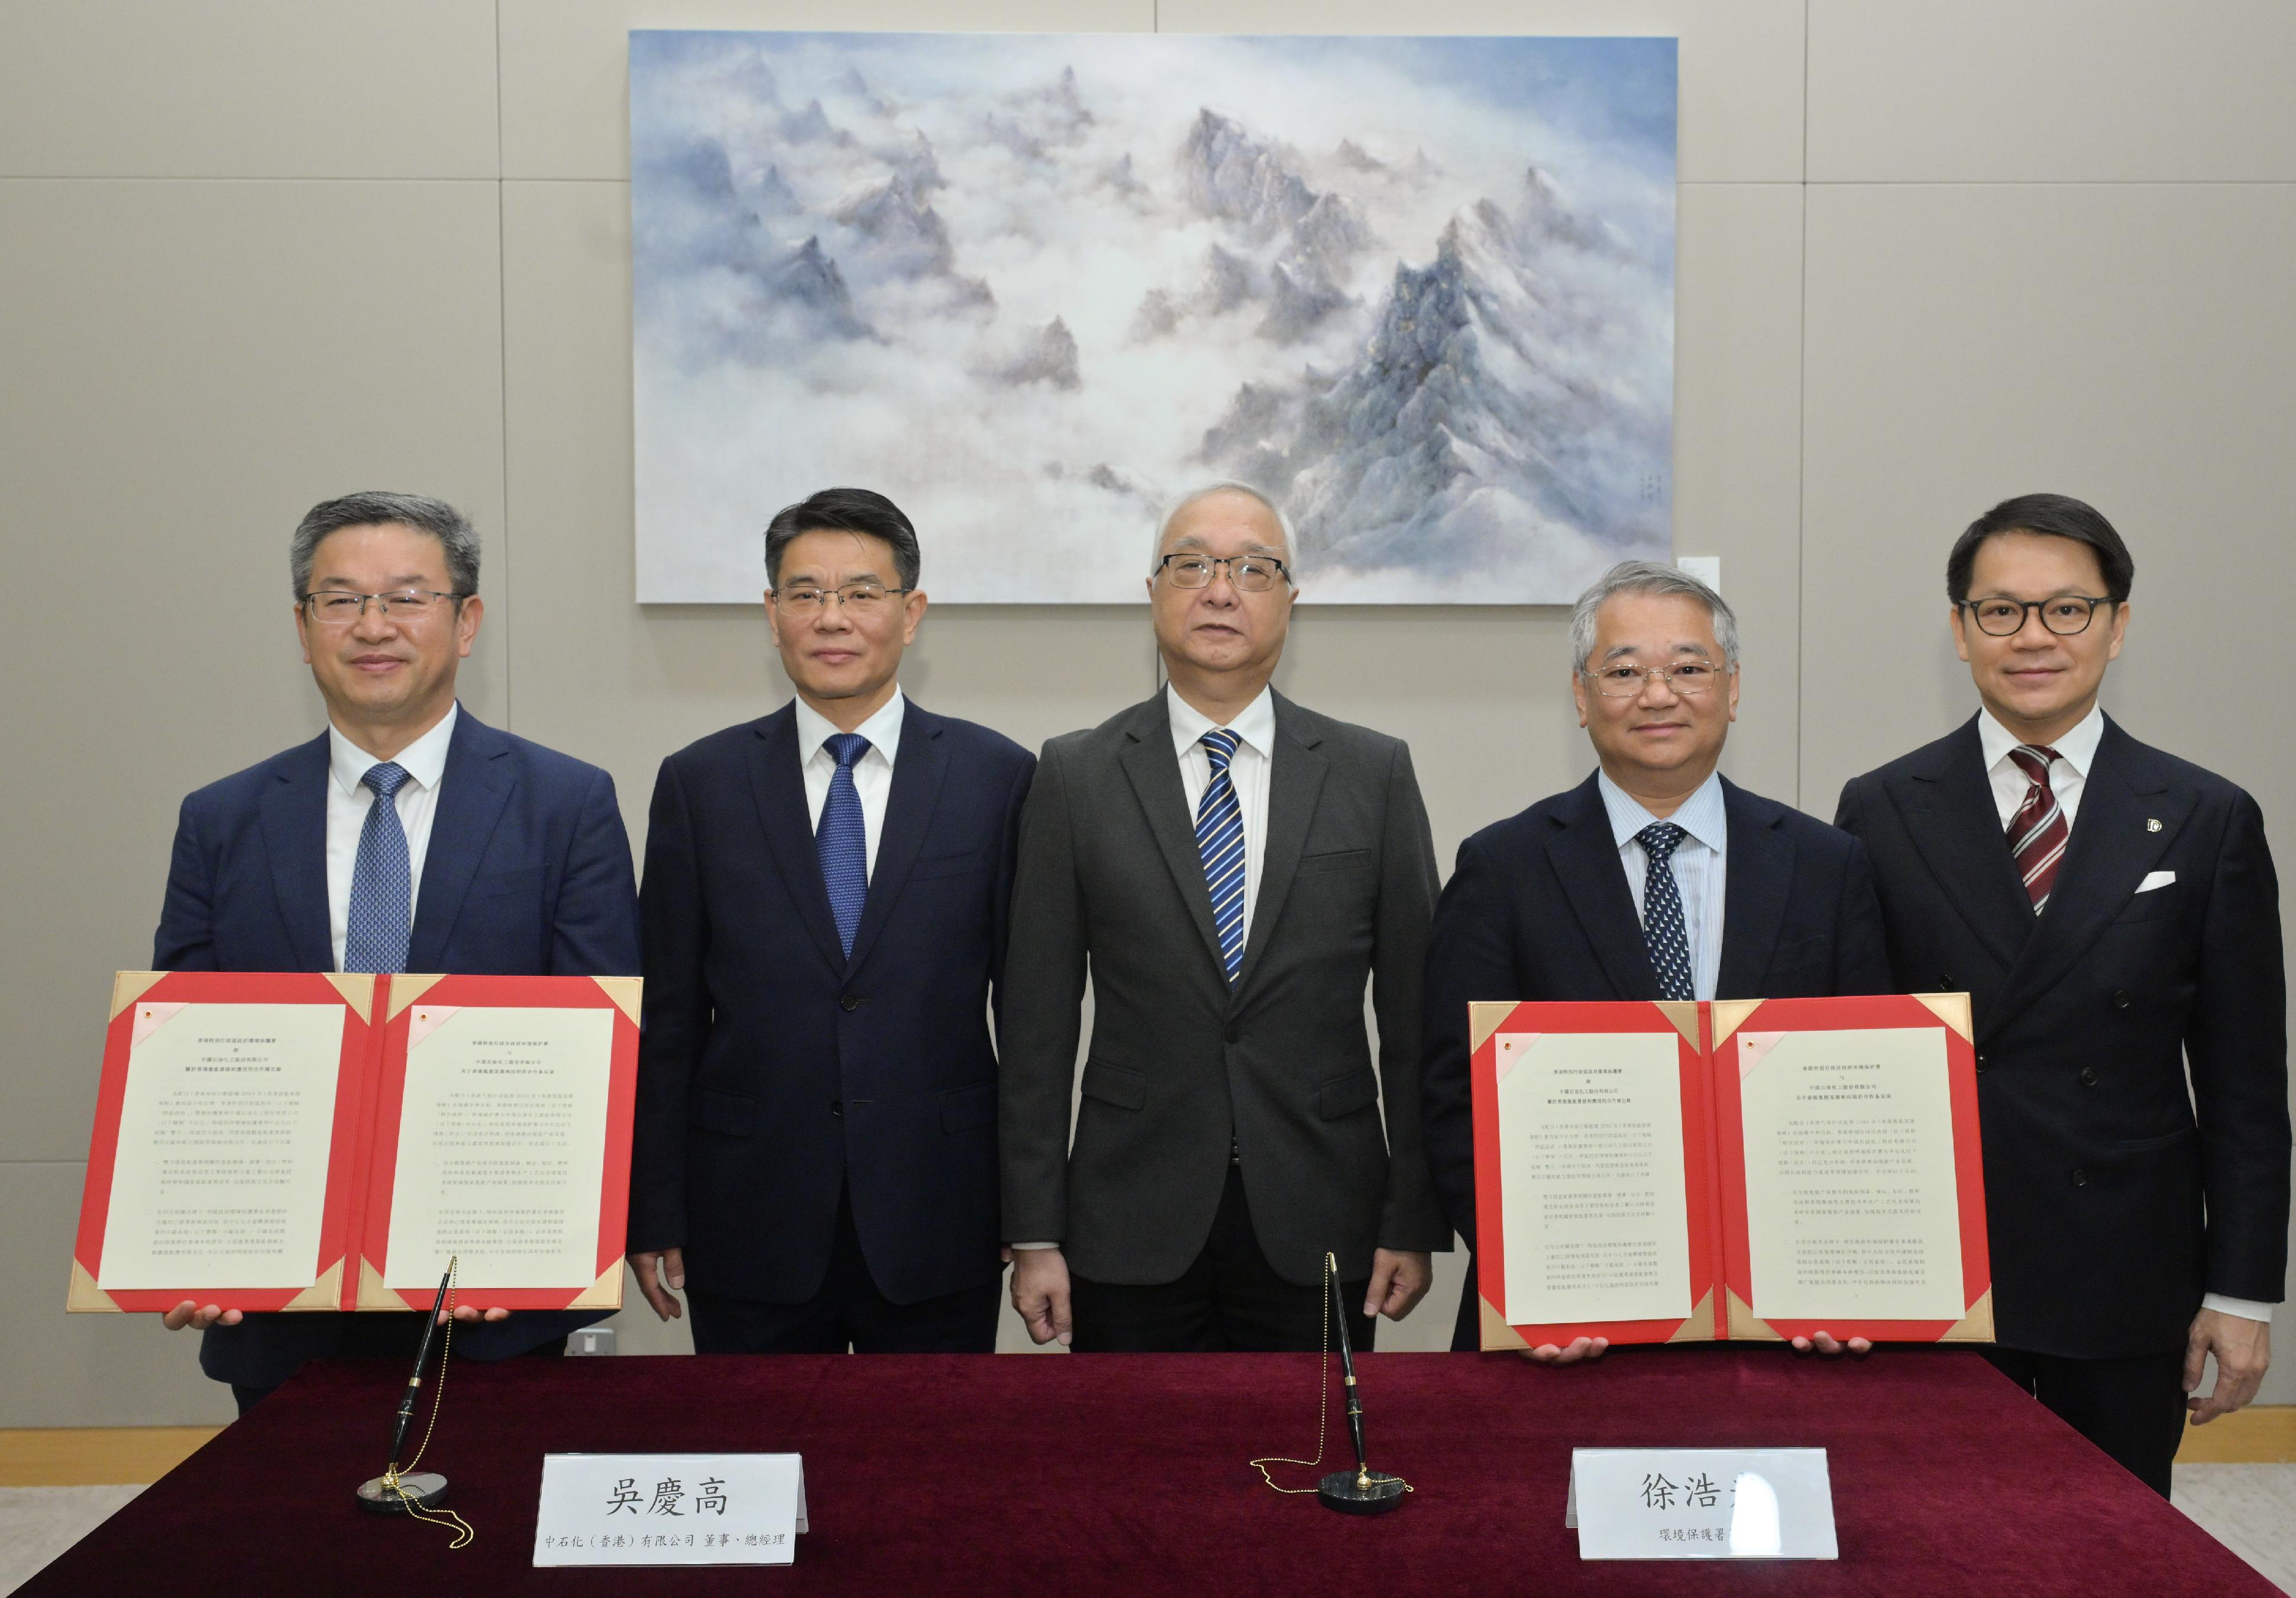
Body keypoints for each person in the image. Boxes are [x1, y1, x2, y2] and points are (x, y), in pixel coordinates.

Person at [1835, 493, 2289, 1497]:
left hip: (2126, 1264)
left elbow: (2246, 1084)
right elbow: (1850, 1062)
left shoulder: (2206, 816)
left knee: (2117, 1543)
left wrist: (2242, 1289)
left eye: (2067, 610)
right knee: (1934, 1538)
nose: (2033, 636)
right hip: (1941, 1263)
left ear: (2119, 625)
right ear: (1959, 630)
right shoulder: (1882, 806)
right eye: (2000, 611)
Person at [154, 491, 639, 1413]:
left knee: (479, 1548)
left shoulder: (566, 804)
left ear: (467, 622)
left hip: (491, 1294)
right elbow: (187, 1054)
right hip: (277, 1296)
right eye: (340, 600)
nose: (374, 626)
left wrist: (539, 1245)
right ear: (302, 627)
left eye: (408, 596)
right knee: (296, 1549)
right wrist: (192, 1246)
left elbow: (597, 1049)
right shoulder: (220, 820)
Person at [998, 483, 1450, 1352]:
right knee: (1135, 1478)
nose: (1219, 589)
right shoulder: (1076, 775)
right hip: (1126, 1216)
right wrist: (1034, 1232)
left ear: (1290, 599)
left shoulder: (1372, 773)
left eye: (1253, 568)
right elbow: (1036, 1025)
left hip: (1324, 1212)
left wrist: (1413, 1214)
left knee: (1311, 1474)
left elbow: (1415, 1021)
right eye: (1192, 565)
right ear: (1153, 591)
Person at [1422, 560, 1891, 1359]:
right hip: (1564, 1321)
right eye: (1624, 670)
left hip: (1779, 1322)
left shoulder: (1827, 863)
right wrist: (1532, 1274)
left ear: (1733, 689)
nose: (1658, 693)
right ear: (1581, 696)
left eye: (1688, 667)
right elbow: (1452, 1094)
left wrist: (1843, 1277)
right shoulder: (1503, 866)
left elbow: (1868, 1083)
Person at [627, 489, 1034, 1353]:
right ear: (771, 615)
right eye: (805, 593)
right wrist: (653, 1205)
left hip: (941, 1205)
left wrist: (1031, 1211)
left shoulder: (997, 778)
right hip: (748, 1210)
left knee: (931, 1474)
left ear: (911, 612)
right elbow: (665, 1018)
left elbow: (1030, 1016)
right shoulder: (699, 785)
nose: (832, 617)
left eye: (861, 593)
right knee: (759, 1467)